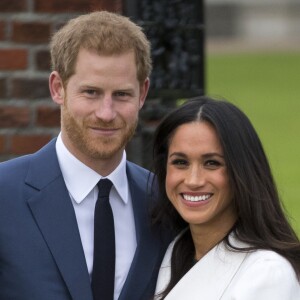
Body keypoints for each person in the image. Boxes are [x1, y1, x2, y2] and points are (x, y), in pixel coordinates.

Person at [0, 11, 172, 300]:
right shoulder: (4, 194)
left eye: (121, 95)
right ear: (58, 88)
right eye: (91, 92)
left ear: (143, 94)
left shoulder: (165, 201)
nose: (106, 113)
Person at [151, 96, 300, 299]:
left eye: (212, 163)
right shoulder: (174, 250)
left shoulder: (267, 274)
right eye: (180, 162)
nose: (193, 180)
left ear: (242, 172)